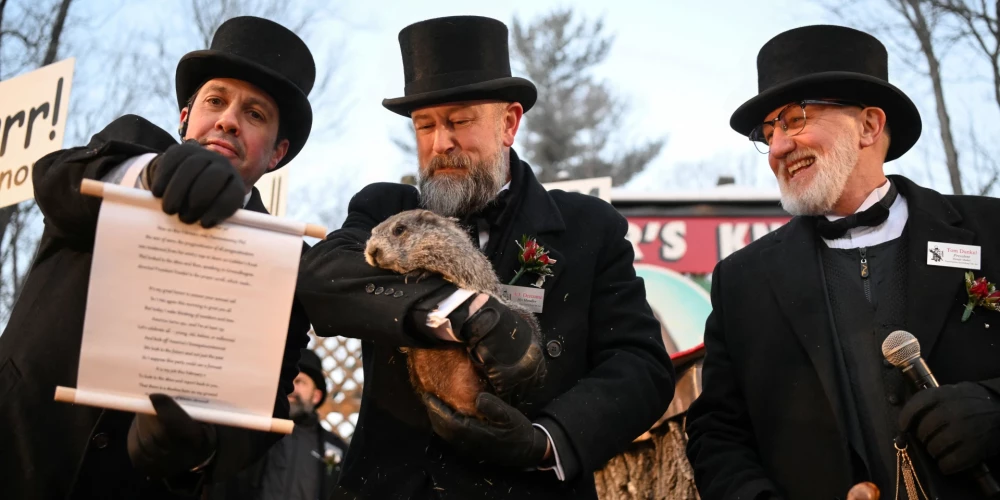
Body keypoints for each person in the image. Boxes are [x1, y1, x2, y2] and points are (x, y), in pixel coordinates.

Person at [296, 15, 674, 499]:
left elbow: (640, 366)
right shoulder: (384, 208)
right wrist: (459, 313)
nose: (440, 143)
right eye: (425, 125)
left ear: (509, 123)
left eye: (459, 121)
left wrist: (545, 441)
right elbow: (323, 279)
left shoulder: (588, 227)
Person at [0, 16, 316, 499]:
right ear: (185, 117)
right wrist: (147, 177)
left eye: (255, 114)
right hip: (18, 442)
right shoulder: (129, 151)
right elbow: (54, 181)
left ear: (277, 153)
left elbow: (264, 407)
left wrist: (201, 447)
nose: (228, 120)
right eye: (216, 101)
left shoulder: (283, 260)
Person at [685, 24, 1000, 500]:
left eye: (794, 119)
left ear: (869, 126)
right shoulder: (742, 281)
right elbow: (718, 434)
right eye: (768, 133)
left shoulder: (990, 229)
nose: (777, 148)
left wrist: (995, 408)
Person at [210, 348, 349, 500]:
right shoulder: (252, 430)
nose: (292, 388)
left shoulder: (336, 448)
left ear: (316, 396)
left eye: (300, 382)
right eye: (288, 380)